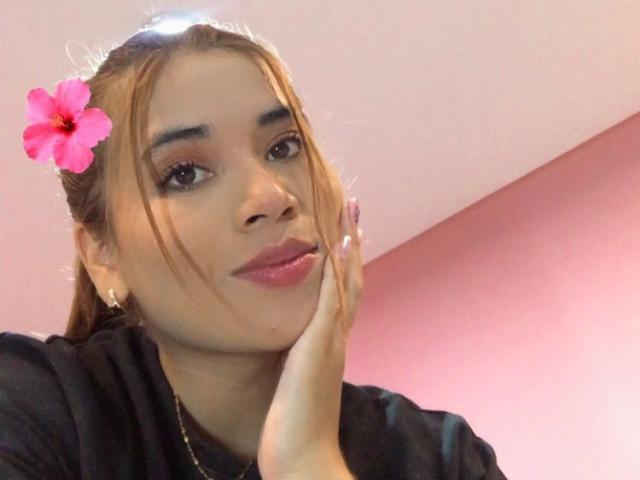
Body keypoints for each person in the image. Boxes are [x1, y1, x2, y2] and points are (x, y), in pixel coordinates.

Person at [0, 16, 508, 480]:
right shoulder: (33, 406)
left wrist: (306, 462)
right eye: (184, 174)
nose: (271, 197)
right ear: (102, 257)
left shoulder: (443, 459)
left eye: (283, 147)